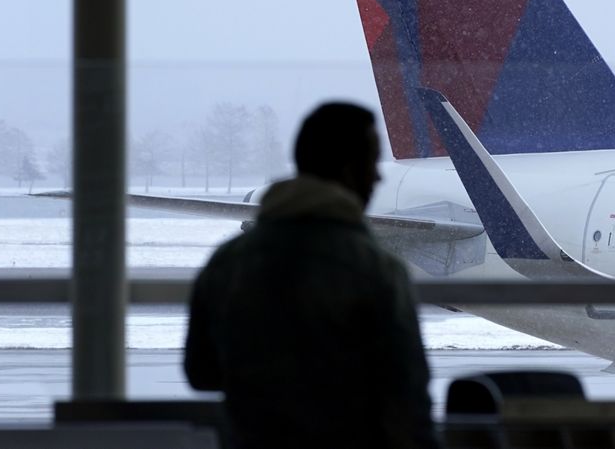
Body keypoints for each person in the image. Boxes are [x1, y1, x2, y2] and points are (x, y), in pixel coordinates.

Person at [184, 102, 440, 449]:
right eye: (371, 163)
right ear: (349, 170)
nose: (378, 177)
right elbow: (407, 390)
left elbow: (201, 373)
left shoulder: (228, 262)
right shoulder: (376, 270)